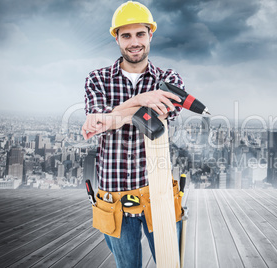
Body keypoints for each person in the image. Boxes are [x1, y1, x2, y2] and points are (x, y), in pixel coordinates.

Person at [81, 1, 183, 267]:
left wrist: (113, 117)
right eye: (126, 35)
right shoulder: (97, 79)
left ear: (151, 34)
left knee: (171, 263)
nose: (134, 42)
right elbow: (97, 121)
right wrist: (146, 99)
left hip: (157, 193)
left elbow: (161, 116)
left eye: (140, 34)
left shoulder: (169, 78)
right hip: (112, 197)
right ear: (116, 38)